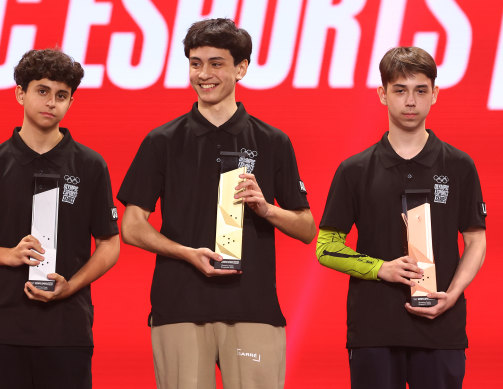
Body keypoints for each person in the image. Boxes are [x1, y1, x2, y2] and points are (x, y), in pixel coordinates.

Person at [117, 18, 316, 389]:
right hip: (179, 306)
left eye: (216, 63)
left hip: (253, 309)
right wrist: (186, 252)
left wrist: (266, 208)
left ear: (241, 68)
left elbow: (307, 228)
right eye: (195, 63)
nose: (203, 74)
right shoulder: (162, 141)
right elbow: (131, 226)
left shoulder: (273, 141)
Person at [0, 48, 120, 389]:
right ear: (20, 93)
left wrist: (71, 286)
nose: (51, 102)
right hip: (1, 329)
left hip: (67, 331)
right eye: (42, 91)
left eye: (62, 95)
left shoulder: (90, 165)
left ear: (70, 102)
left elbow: (110, 243)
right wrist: (5, 254)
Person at [316, 46, 487, 389]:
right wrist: (382, 268)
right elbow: (326, 247)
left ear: (435, 94)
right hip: (374, 330)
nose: (411, 101)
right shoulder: (355, 170)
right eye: (400, 90)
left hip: (442, 328)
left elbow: (475, 239)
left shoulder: (459, 165)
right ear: (382, 94)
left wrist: (452, 295)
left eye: (420, 90)